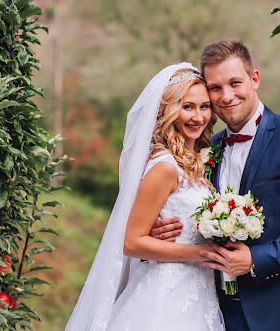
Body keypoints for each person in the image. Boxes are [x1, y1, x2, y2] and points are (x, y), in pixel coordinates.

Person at [151, 38, 280, 330]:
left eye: (235, 83)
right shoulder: (206, 148)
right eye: (215, 88)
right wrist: (160, 230)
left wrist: (256, 258)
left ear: (254, 79)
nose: (226, 96)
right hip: (216, 309)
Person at [65, 63, 225, 331]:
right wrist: (202, 252)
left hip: (199, 291)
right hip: (167, 296)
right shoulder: (164, 166)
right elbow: (132, 242)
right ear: (169, 110)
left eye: (204, 106)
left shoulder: (196, 161)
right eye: (187, 106)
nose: (198, 116)